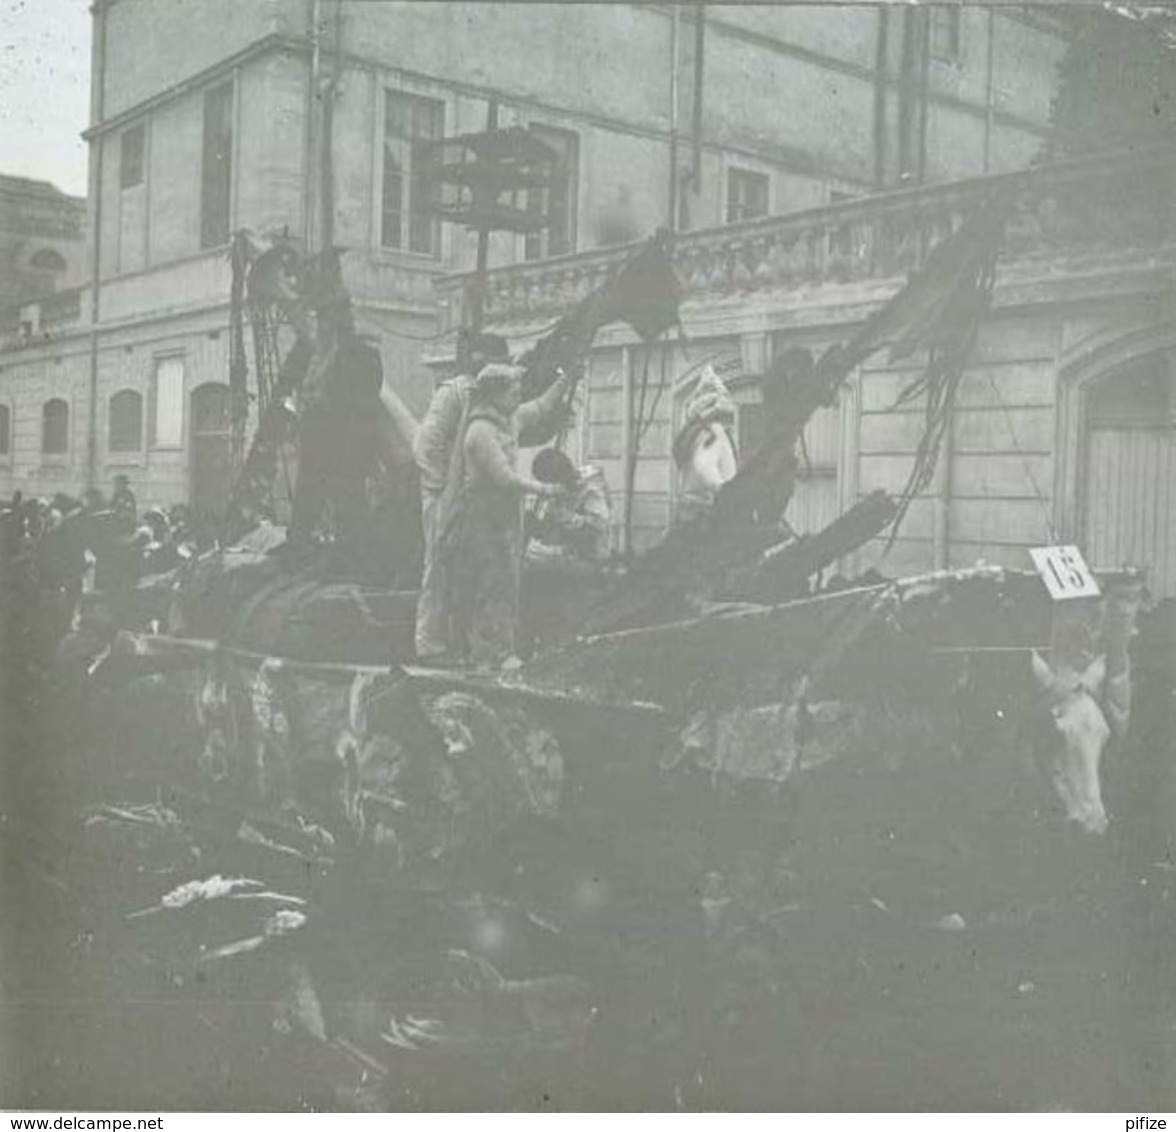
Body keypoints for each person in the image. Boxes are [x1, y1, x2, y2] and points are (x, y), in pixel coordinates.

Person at [445, 364, 569, 669]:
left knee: (508, 582)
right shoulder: (480, 432)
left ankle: (503, 649)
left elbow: (541, 407)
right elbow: (505, 479)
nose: (519, 397)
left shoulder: (510, 418)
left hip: (504, 516)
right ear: (495, 395)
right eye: (514, 392)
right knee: (489, 584)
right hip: (480, 517)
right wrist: (545, 490)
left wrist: (566, 380)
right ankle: (485, 654)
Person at [412, 332, 511, 660]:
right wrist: (443, 488)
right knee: (439, 565)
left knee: (452, 568)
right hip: (442, 493)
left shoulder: (456, 391)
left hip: (445, 490)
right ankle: (430, 644)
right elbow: (427, 446)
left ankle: (450, 641)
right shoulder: (463, 394)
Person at [525, 448, 612, 564]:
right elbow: (552, 534)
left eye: (549, 483)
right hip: (565, 555)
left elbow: (596, 530)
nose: (549, 488)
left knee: (527, 560)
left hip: (588, 559)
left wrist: (564, 517)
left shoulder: (590, 490)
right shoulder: (559, 495)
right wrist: (538, 528)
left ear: (559, 477)